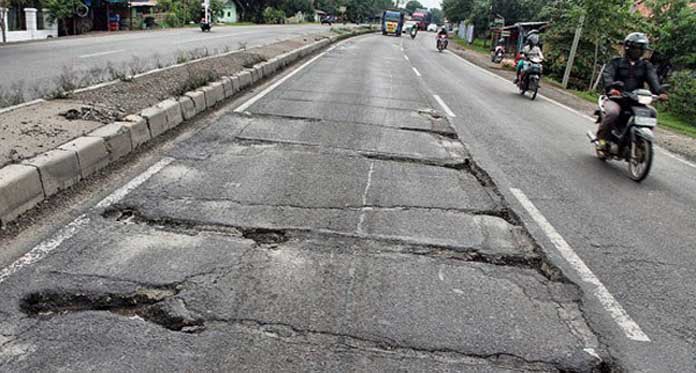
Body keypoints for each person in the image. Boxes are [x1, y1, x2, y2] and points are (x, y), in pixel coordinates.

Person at [597, 32, 668, 148]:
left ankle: (641, 140)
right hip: (617, 98)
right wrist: (612, 88)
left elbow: (653, 80)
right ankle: (602, 139)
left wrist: (661, 92)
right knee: (613, 113)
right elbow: (607, 76)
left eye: (641, 49)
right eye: (635, 48)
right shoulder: (616, 62)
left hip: (636, 99)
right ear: (627, 48)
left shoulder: (646, 66)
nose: (638, 51)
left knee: (652, 112)